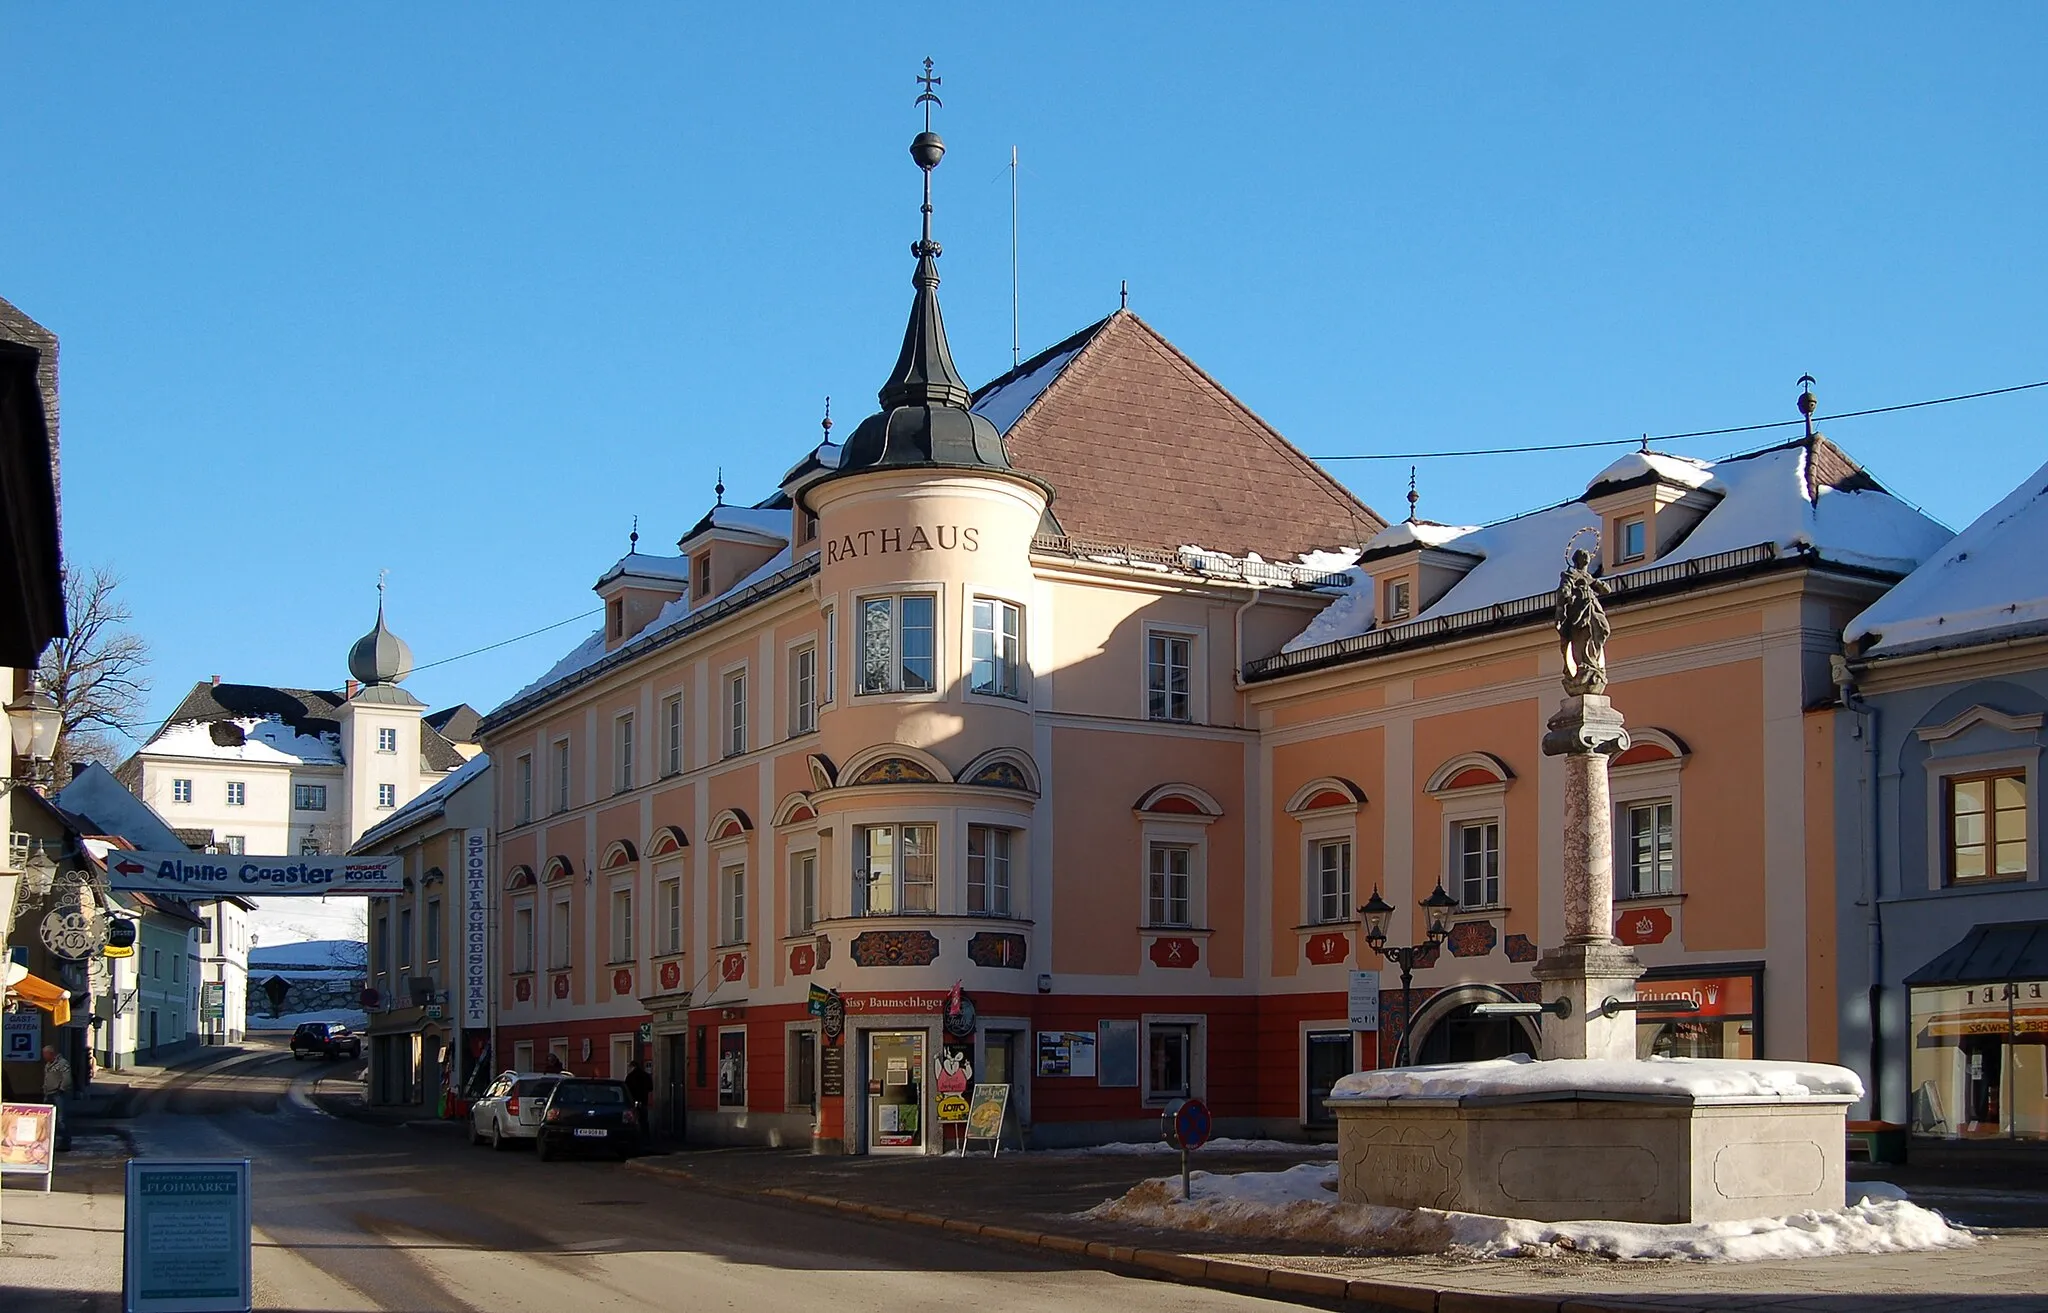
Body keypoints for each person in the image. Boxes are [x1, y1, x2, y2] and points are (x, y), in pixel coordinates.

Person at [42, 1044, 73, 1152]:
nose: (44, 1056)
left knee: (61, 1119)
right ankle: (50, 1142)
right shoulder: (48, 1064)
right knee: (49, 1120)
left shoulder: (62, 1063)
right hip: (49, 1094)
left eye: (45, 1054)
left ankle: (65, 1143)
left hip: (58, 1094)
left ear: (51, 1054)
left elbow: (67, 1078)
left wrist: (61, 1089)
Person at [624, 1060, 653, 1147]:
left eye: (629, 1067)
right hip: (643, 1101)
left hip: (633, 1103)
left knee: (633, 1122)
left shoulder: (630, 1076)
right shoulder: (646, 1076)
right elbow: (650, 1088)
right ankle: (646, 1140)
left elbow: (626, 1090)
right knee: (644, 1121)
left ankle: (635, 1140)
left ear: (632, 1067)